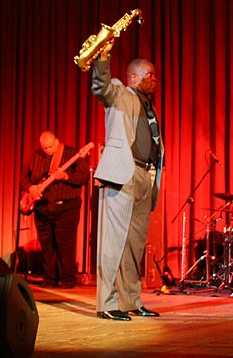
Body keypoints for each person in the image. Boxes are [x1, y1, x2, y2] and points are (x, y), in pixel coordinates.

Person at [91, 41, 164, 321]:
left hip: (145, 176)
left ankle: (131, 299)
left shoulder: (148, 106)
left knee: (134, 245)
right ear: (134, 77)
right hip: (123, 173)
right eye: (150, 75)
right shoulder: (120, 92)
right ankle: (107, 303)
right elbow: (101, 87)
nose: (155, 79)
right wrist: (103, 56)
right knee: (113, 243)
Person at [19, 131, 90, 288]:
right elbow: (23, 177)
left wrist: (66, 177)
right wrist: (31, 188)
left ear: (57, 141)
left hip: (66, 206)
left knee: (65, 244)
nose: (48, 150)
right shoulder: (35, 156)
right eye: (44, 148)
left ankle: (67, 278)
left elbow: (84, 176)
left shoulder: (72, 154)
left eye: (50, 147)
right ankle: (50, 277)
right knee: (47, 244)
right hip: (42, 207)